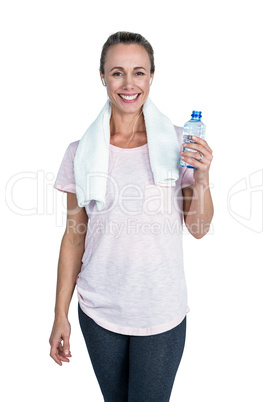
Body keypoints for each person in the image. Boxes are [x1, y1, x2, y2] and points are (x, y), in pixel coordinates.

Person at [49, 31, 214, 401]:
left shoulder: (179, 145)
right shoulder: (79, 152)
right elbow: (75, 235)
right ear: (103, 77)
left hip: (160, 310)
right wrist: (61, 313)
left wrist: (201, 178)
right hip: (98, 310)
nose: (128, 83)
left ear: (152, 77)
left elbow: (199, 228)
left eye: (139, 72)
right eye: (117, 72)